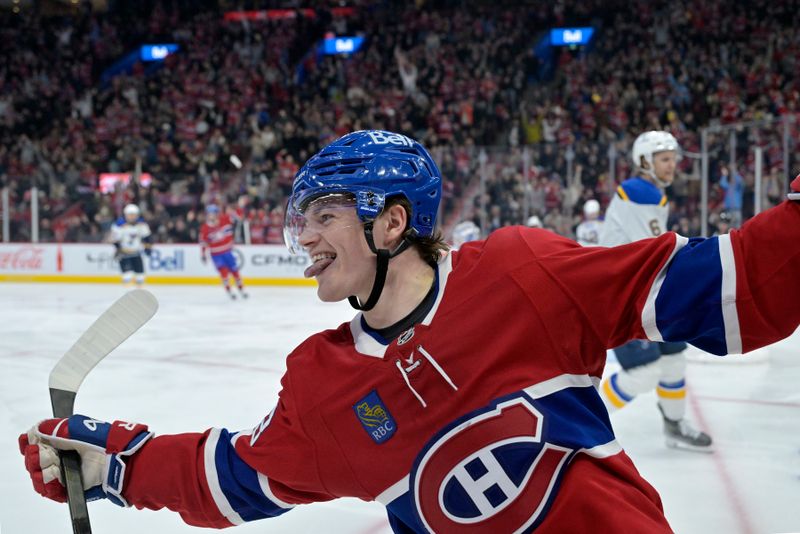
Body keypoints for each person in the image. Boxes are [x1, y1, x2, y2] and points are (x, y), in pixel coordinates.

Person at [18, 130, 800, 532]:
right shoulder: (323, 388)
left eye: (324, 216)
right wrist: (115, 462)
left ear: (392, 222)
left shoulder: (520, 270)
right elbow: (231, 479)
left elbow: (727, 287)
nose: (306, 239)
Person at [598, 131, 711, 451]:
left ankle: (674, 425)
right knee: (644, 372)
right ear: (645, 162)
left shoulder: (650, 192)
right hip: (622, 296)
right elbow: (662, 249)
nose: (672, 164)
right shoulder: (638, 191)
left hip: (648, 292)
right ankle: (583, 423)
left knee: (674, 358)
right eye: (664, 158)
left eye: (673, 158)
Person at [200, 204, 248, 300]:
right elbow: (204, 243)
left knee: (235, 272)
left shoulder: (225, 219)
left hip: (227, 252)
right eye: (209, 214)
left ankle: (241, 289)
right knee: (224, 273)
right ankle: (229, 291)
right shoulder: (205, 228)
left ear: (217, 214)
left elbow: (239, 217)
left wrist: (240, 206)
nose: (211, 216)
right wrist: (203, 254)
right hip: (216, 255)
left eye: (213, 213)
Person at [110, 203, 152, 286]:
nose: (132, 217)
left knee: (140, 276)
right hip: (124, 253)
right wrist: (118, 249)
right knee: (127, 276)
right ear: (126, 215)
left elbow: (146, 237)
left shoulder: (142, 224)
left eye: (134, 215)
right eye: (130, 215)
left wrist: (148, 247)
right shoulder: (119, 225)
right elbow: (115, 240)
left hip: (137, 252)